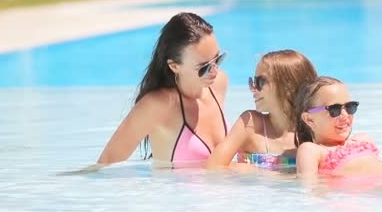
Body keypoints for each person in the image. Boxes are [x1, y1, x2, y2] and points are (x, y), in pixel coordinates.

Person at [97, 12, 229, 168]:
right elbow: (105, 166)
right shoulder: (158, 106)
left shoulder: (219, 83)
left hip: (223, 191)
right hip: (174, 191)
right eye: (204, 67)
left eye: (218, 59)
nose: (214, 71)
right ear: (174, 66)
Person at [206, 50, 317, 170]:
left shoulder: (314, 130)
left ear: (288, 86)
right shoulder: (251, 124)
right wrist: (262, 172)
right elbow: (214, 167)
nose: (253, 88)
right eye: (252, 82)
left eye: (260, 82)